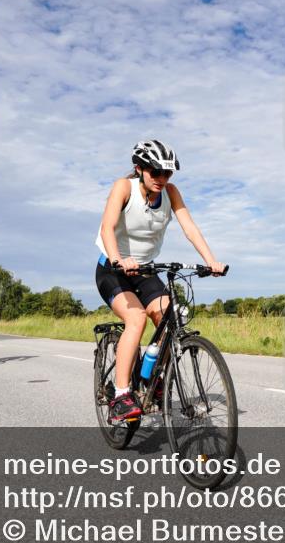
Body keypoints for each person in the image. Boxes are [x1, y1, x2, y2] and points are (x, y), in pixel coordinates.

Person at [95, 139, 226, 422]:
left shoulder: (170, 192)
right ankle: (120, 395)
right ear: (139, 169)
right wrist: (119, 259)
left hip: (145, 271)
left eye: (168, 174)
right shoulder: (123, 187)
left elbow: (189, 227)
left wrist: (210, 260)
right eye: (156, 172)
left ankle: (152, 384)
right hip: (113, 270)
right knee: (137, 319)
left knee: (172, 317)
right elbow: (107, 228)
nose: (162, 179)